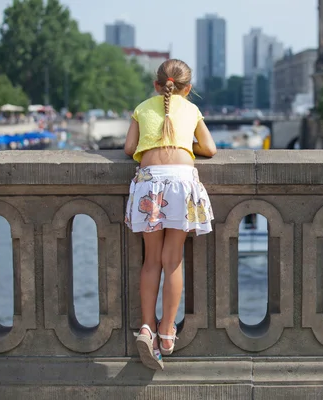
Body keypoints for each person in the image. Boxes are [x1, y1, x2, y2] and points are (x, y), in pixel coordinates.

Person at [124, 59, 217, 370]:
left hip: (149, 182)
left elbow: (129, 148)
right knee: (172, 259)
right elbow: (211, 148)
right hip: (180, 182)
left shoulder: (141, 107)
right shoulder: (192, 110)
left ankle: (146, 327)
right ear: (187, 89)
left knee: (151, 260)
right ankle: (166, 330)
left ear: (156, 85)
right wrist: (184, 143)